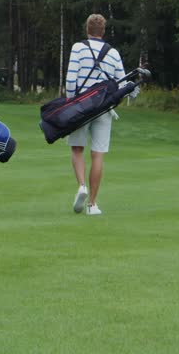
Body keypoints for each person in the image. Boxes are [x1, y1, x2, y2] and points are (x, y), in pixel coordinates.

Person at [65, 14, 126, 215]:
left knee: (77, 149)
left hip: (81, 106)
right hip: (104, 108)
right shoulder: (113, 53)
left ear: (87, 30)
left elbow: (71, 80)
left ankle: (82, 186)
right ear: (103, 31)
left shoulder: (78, 48)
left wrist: (70, 103)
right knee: (98, 154)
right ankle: (92, 204)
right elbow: (122, 84)